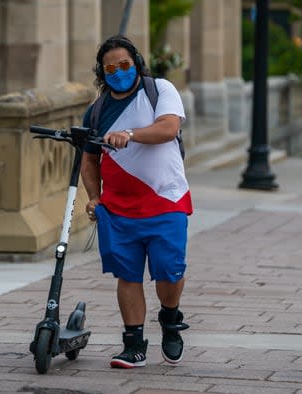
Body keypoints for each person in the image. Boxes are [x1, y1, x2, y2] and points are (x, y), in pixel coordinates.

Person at [81, 35, 192, 369]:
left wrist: (129, 135)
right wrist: (94, 198)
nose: (118, 72)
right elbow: (88, 160)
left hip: (166, 199)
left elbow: (168, 129)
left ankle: (170, 321)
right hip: (117, 207)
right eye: (110, 67)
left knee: (169, 272)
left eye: (124, 65)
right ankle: (133, 344)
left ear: (136, 63)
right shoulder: (97, 110)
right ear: (102, 72)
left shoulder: (160, 90)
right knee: (127, 276)